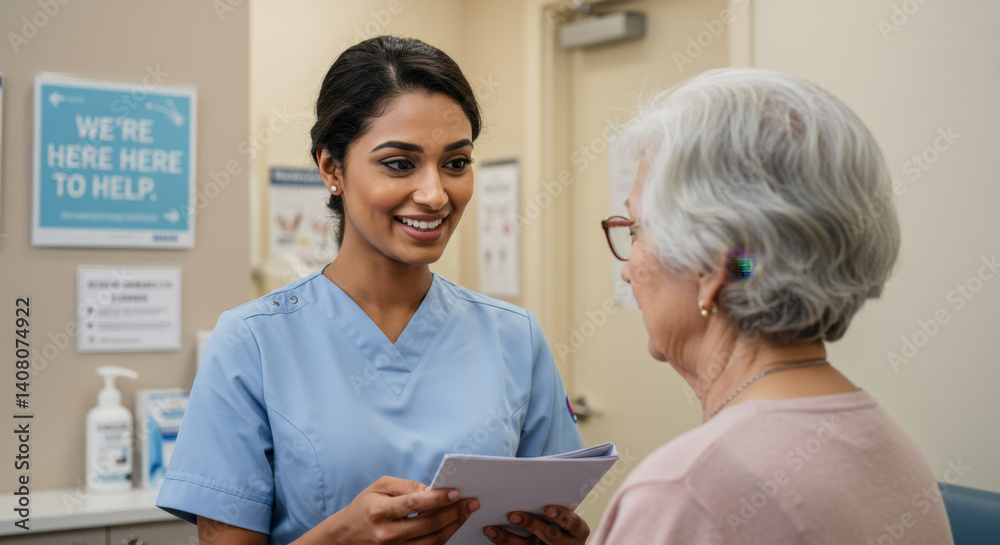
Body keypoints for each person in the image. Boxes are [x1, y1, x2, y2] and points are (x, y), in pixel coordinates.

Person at [156, 36, 588, 545]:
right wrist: (341, 538)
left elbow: (546, 512)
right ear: (331, 168)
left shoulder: (514, 337)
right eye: (400, 164)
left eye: (455, 163)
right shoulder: (251, 342)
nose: (434, 194)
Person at [590, 68, 954, 544]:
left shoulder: (683, 491)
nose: (626, 268)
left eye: (636, 231)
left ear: (712, 271)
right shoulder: (891, 446)